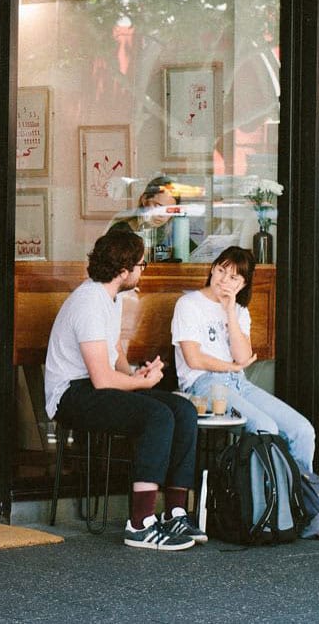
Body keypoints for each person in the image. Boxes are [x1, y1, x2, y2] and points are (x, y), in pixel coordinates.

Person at [44, 228, 204, 551]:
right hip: (71, 394)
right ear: (123, 270)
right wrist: (141, 384)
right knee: (157, 416)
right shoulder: (88, 302)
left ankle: (174, 511)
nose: (143, 271)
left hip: (94, 386)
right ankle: (141, 523)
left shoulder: (112, 297)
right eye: (141, 265)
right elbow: (101, 380)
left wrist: (134, 373)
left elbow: (114, 355)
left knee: (183, 410)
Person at [171, 245, 316, 470]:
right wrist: (232, 366)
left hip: (239, 383)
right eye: (220, 271)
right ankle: (265, 503)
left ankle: (296, 498)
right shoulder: (189, 304)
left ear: (243, 284)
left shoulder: (239, 311)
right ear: (212, 269)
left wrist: (229, 312)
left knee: (302, 430)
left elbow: (244, 356)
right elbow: (194, 359)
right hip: (203, 386)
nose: (223, 280)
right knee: (264, 427)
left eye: (233, 278)